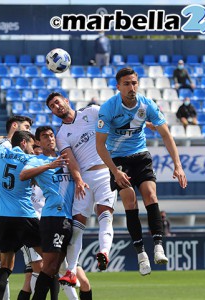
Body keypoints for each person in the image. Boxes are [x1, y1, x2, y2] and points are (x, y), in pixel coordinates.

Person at [95, 67, 187, 276]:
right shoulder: (109, 108)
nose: (131, 87)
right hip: (117, 159)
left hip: (140, 154)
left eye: (134, 83)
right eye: (126, 83)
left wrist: (178, 165)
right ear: (118, 87)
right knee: (129, 201)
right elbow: (100, 145)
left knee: (151, 195)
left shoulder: (147, 104)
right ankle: (141, 254)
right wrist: (115, 172)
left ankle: (158, 245)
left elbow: (166, 135)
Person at [46, 92, 116, 285]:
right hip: (84, 178)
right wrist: (77, 180)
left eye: (57, 102)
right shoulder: (61, 135)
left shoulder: (92, 111)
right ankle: (71, 271)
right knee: (76, 226)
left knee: (105, 216)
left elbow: (113, 121)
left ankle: (104, 251)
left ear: (66, 101)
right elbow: (71, 160)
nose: (56, 106)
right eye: (52, 106)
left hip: (105, 172)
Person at [0, 131, 42, 300]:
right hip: (25, 215)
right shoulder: (30, 160)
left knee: (5, 267)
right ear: (23, 142)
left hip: (4, 218)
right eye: (31, 144)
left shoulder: (0, 153)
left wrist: (3, 138)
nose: (33, 148)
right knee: (50, 262)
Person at [19, 126, 74, 300]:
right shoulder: (38, 160)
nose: (50, 139)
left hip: (68, 218)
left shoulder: (66, 157)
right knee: (49, 267)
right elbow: (23, 175)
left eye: (51, 135)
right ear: (38, 142)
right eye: (45, 136)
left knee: (54, 268)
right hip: (53, 218)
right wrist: (49, 165)